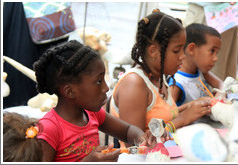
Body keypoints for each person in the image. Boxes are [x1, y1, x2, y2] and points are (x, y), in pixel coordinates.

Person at [33, 40, 171, 162]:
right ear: (70, 91)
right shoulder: (49, 129)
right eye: (99, 81)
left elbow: (128, 130)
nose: (106, 88)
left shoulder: (92, 114)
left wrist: (141, 138)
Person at [110, 9, 211, 148]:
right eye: (176, 50)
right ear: (153, 51)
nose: (183, 56)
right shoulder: (134, 84)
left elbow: (164, 115)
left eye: (183, 49)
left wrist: (194, 106)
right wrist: (182, 120)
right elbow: (136, 147)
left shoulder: (159, 77)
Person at [169, 23, 224, 106]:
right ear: (191, 49)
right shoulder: (177, 83)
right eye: (212, 51)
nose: (216, 58)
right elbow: (168, 114)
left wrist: (218, 98)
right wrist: (194, 105)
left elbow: (221, 84)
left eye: (217, 53)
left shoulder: (200, 71)